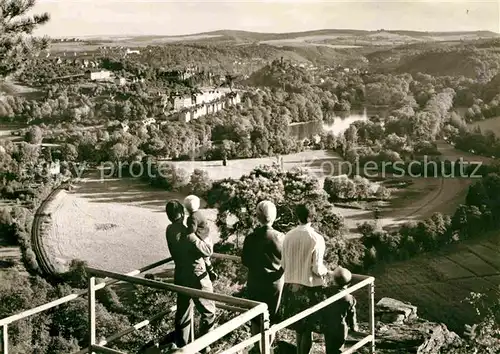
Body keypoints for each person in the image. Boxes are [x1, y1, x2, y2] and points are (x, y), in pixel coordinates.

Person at [165, 200, 215, 353]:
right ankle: (203, 347)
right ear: (182, 212)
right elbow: (207, 251)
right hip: (197, 276)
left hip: (180, 275)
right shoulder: (188, 233)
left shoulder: (169, 230)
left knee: (183, 312)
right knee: (209, 312)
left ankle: (182, 347)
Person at [280, 204, 329, 354]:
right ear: (312, 217)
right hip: (308, 289)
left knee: (299, 328)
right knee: (307, 329)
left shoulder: (288, 236)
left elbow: (283, 264)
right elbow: (317, 269)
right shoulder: (316, 238)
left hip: (290, 287)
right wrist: (326, 271)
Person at [242, 200, 285, 353]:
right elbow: (286, 262)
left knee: (255, 317)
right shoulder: (281, 237)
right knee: (272, 318)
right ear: (274, 217)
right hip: (274, 283)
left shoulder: (250, 237)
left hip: (255, 281)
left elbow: (245, 261)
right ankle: (265, 349)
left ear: (258, 217)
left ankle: (257, 349)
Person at [321, 266, 359, 354]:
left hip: (328, 325)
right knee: (339, 348)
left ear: (333, 281)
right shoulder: (349, 298)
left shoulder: (327, 292)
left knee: (329, 347)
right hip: (340, 328)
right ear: (348, 284)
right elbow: (352, 313)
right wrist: (354, 326)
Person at [183, 195, 218, 281]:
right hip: (206, 238)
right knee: (206, 258)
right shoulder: (199, 214)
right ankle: (211, 270)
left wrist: (185, 233)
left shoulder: (192, 218)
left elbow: (192, 230)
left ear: (186, 208)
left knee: (202, 255)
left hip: (201, 240)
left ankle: (209, 271)